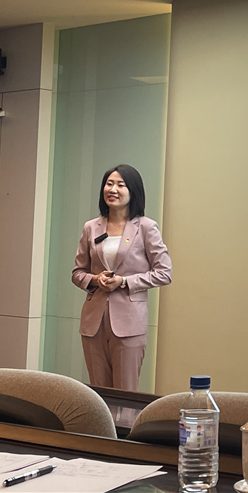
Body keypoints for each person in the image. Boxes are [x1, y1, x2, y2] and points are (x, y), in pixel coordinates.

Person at [72, 164, 172, 391]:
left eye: (120, 185)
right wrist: (95, 280)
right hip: (94, 322)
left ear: (132, 190)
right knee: (98, 393)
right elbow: (78, 273)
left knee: (125, 393)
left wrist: (125, 281)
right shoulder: (91, 227)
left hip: (129, 322)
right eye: (109, 184)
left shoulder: (146, 227)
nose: (113, 189)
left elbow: (165, 272)